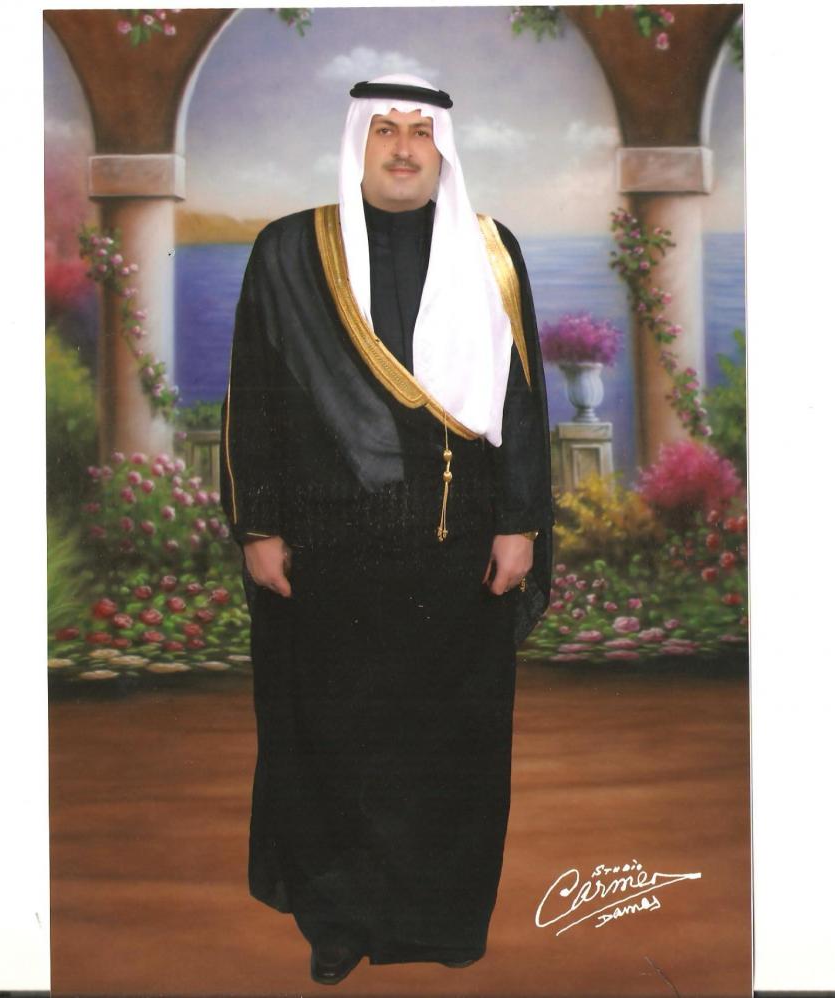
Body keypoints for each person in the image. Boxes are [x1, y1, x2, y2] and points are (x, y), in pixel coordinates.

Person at [219, 73, 553, 986]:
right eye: (385, 131)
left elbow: (522, 402)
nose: (405, 148)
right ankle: (338, 925)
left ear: (443, 147)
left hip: (458, 551)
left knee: (452, 745)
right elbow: (253, 393)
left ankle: (444, 921)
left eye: (420, 131)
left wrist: (521, 523)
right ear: (357, 142)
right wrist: (257, 525)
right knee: (336, 746)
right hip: (331, 554)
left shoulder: (492, 252)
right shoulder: (291, 252)